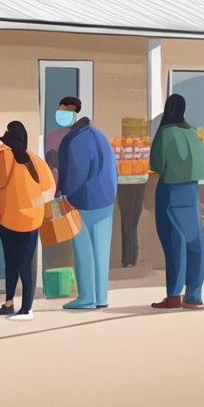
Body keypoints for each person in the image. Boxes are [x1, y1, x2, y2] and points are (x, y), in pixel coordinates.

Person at [150, 95, 204, 310]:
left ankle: (173, 296)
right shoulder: (191, 132)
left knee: (173, 244)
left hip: (170, 193)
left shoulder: (165, 133)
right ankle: (194, 296)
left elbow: (156, 163)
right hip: (191, 193)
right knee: (195, 244)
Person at [55, 98, 117, 310]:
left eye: (63, 111)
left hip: (82, 202)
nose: (60, 115)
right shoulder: (99, 135)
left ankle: (87, 298)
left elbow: (75, 175)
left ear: (74, 111)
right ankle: (101, 297)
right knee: (101, 251)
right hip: (105, 201)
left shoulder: (74, 140)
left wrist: (66, 197)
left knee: (84, 251)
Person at [0, 121, 54, 320]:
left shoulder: (2, 157)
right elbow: (50, 192)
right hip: (30, 220)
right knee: (27, 264)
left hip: (7, 218)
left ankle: (13, 304)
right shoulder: (36, 161)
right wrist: (31, 203)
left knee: (11, 262)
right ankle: (25, 307)